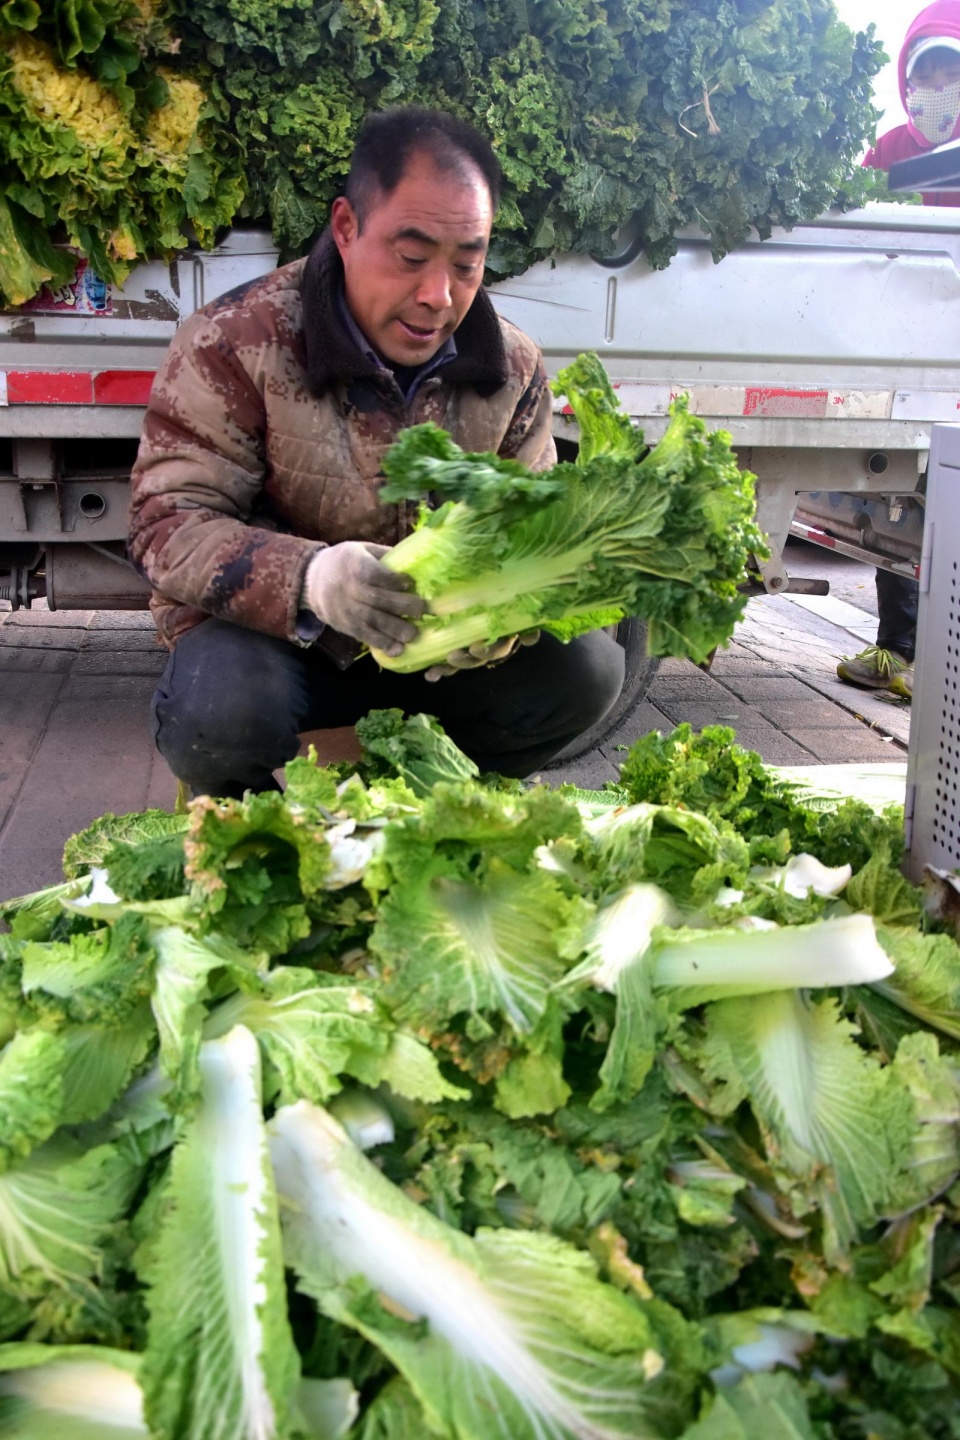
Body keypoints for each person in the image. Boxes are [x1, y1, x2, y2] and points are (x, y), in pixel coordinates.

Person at [128, 107, 624, 797]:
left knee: (588, 672)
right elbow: (166, 525)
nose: (437, 296)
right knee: (219, 716)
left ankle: (441, 812)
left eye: (467, 264)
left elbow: (529, 535)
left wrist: (505, 614)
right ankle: (267, 842)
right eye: (412, 257)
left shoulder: (511, 367)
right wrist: (312, 579)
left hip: (432, 654)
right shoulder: (234, 340)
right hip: (280, 645)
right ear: (346, 227)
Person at [837, 0, 960, 699]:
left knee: (949, 501)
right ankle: (896, 649)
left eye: (952, 68)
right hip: (904, 352)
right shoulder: (889, 151)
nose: (937, 84)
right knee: (901, 504)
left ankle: (938, 663)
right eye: (927, 70)